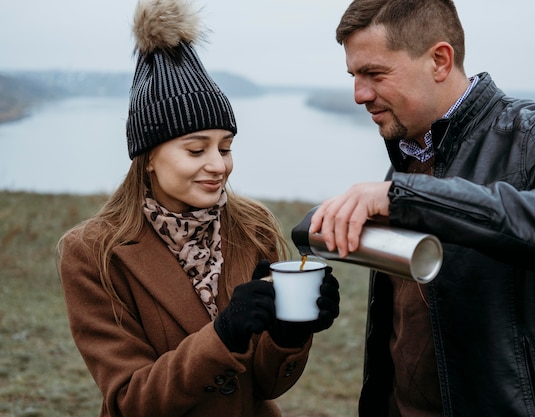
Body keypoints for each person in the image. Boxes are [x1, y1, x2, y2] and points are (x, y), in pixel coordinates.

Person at [307, 1, 535, 416]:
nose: (358, 94)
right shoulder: (407, 155)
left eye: (374, 73)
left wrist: (412, 198)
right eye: (354, 76)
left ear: (440, 60)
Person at [56, 1, 340, 416]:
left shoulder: (252, 226)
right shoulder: (92, 252)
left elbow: (266, 385)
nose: (218, 165)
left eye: (226, 147)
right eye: (195, 149)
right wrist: (222, 335)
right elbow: (131, 400)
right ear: (148, 156)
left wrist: (289, 333)